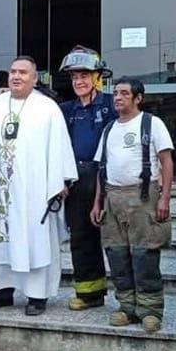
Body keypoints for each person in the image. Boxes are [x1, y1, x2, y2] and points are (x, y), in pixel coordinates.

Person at [0, 56, 77, 316]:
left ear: (34, 77)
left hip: (34, 190)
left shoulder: (48, 108)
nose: (16, 77)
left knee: (33, 240)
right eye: (13, 72)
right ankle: (0, 292)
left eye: (23, 72)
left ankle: (36, 296)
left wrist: (61, 181)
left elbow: (60, 146)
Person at [91, 77, 173, 333]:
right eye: (115, 93)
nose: (117, 97)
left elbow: (167, 162)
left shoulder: (152, 124)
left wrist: (165, 197)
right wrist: (97, 203)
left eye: (124, 93)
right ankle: (126, 307)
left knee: (145, 254)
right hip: (112, 198)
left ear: (138, 98)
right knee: (117, 255)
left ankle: (150, 310)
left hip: (144, 197)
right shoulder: (108, 130)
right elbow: (101, 170)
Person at [58, 46, 117, 311]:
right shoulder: (65, 110)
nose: (78, 82)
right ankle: (89, 293)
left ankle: (129, 297)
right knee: (81, 237)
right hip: (76, 178)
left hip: (107, 177)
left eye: (84, 76)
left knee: (115, 239)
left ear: (97, 77)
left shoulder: (112, 104)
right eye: (74, 77)